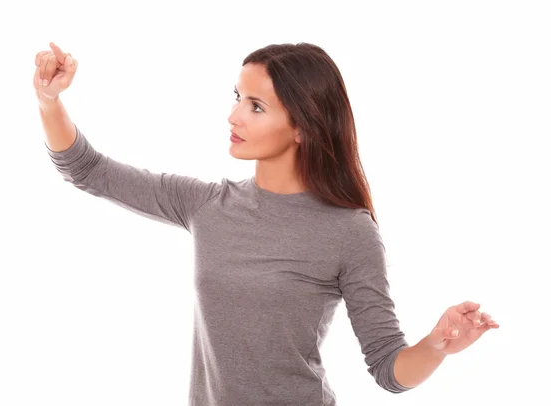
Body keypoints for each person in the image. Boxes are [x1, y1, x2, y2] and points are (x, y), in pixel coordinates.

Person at [34, 41, 500, 405]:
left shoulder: (350, 232)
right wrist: (49, 101)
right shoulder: (207, 204)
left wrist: (436, 345)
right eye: (238, 97)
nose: (234, 115)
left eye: (256, 106)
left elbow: (386, 365)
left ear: (303, 126)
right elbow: (88, 170)